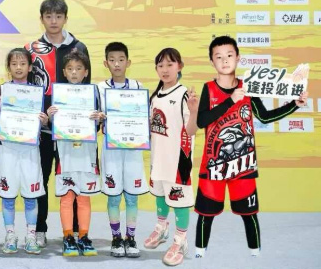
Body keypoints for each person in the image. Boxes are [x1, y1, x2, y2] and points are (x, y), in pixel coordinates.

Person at [194, 36, 309, 258]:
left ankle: (255, 253)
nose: (225, 60)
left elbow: (264, 117)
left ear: (238, 58)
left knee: (249, 214)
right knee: (206, 214)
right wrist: (230, 101)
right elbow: (202, 121)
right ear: (211, 62)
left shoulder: (248, 87)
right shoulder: (208, 88)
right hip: (213, 166)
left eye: (229, 55)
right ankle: (199, 253)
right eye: (219, 57)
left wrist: (294, 105)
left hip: (243, 165)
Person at [24, 0, 90, 247]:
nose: (53, 21)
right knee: (40, 179)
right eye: (49, 16)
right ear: (41, 18)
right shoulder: (31, 49)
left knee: (73, 180)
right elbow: (26, 89)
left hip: (70, 131)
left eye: (58, 16)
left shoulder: (78, 47)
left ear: (65, 18)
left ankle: (74, 232)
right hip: (40, 128)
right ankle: (39, 229)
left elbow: (85, 89)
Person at [0, 48, 47, 255]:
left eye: (22, 64)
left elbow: (44, 119)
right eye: (14, 64)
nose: (18, 67)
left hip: (30, 149)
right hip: (7, 149)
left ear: (29, 67)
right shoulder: (1, 91)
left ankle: (31, 236)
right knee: (8, 195)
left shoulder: (37, 93)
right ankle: (10, 235)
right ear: (8, 67)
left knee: (31, 195)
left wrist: (44, 120)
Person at [142, 48, 199, 267]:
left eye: (170, 64)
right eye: (160, 65)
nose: (165, 69)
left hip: (177, 162)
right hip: (158, 158)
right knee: (160, 194)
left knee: (180, 201)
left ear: (179, 66)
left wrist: (194, 112)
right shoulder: (155, 96)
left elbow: (191, 131)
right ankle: (161, 228)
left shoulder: (184, 95)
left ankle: (180, 241)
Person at [48, 49, 101, 257]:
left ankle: (84, 236)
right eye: (70, 68)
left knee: (84, 197)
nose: (74, 72)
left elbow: (98, 124)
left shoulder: (93, 93)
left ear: (86, 72)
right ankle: (68, 236)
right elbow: (52, 125)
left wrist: (98, 118)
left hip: (87, 154)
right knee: (67, 197)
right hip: (65, 153)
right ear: (64, 71)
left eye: (79, 68)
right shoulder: (58, 94)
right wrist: (51, 116)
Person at [98, 41, 149, 258]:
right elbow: (93, 120)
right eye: (112, 60)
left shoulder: (138, 87)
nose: (117, 64)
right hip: (111, 150)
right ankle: (116, 238)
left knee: (131, 197)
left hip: (133, 150)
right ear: (106, 63)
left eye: (121, 60)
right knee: (113, 196)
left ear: (128, 62)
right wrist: (98, 118)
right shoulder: (100, 88)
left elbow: (146, 116)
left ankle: (131, 238)